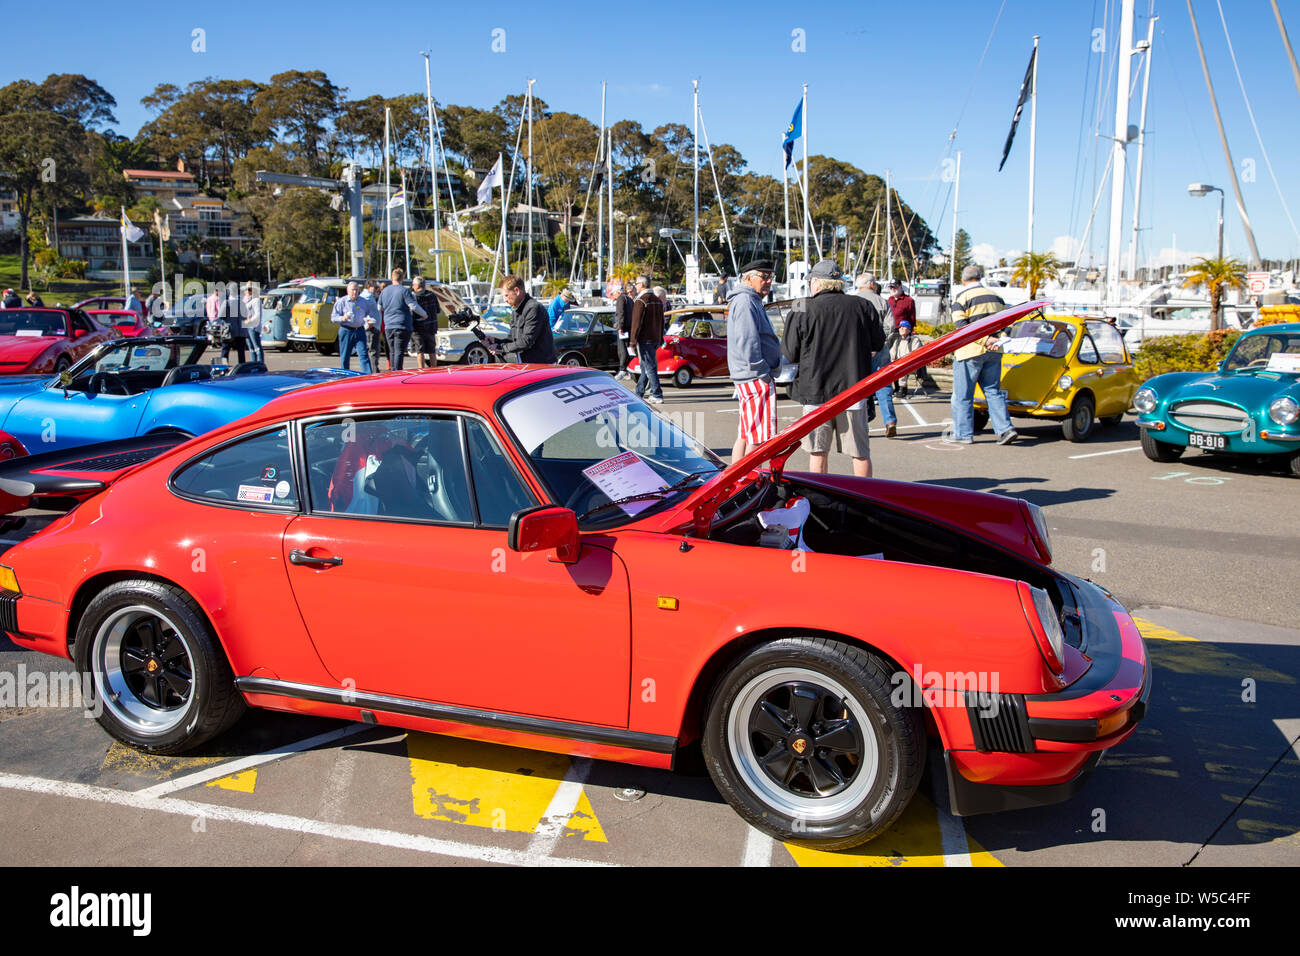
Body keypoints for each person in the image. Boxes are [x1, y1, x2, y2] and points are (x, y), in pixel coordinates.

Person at [784, 260, 884, 477]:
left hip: (815, 391)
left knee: (817, 452)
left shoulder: (800, 306)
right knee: (860, 452)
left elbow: (790, 353)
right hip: (853, 388)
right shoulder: (862, 305)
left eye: (811, 281)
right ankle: (865, 499)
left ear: (817, 282)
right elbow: (879, 343)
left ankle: (822, 497)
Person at [950, 264, 1016, 444]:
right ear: (980, 278)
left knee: (963, 394)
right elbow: (1008, 323)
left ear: (963, 280)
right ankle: (1004, 429)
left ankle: (963, 434)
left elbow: (962, 328)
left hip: (970, 351)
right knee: (993, 391)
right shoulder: (997, 297)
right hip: (995, 350)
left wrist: (984, 340)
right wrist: (999, 339)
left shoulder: (961, 298)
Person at [726, 259, 782, 459]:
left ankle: (738, 481)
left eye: (770, 277)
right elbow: (747, 340)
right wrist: (762, 371)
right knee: (757, 438)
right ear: (748, 278)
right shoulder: (746, 301)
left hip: (750, 375)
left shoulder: (748, 300)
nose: (768, 281)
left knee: (746, 433)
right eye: (763, 276)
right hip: (755, 376)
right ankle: (750, 481)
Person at [853, 275, 899, 438]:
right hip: (880, 349)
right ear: (871, 284)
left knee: (860, 387)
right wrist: (880, 342)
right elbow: (890, 326)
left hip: (859, 350)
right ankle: (889, 421)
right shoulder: (881, 301)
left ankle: (862, 425)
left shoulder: (853, 301)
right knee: (883, 385)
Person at [490, 275, 555, 363]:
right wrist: (495, 341)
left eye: (506, 295)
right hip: (526, 363)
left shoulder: (534, 308)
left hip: (542, 366)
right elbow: (512, 339)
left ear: (516, 291)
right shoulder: (516, 311)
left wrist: (500, 348)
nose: (505, 300)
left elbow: (526, 341)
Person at [377, 268, 426, 371]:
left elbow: (379, 308)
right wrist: (424, 315)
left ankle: (393, 370)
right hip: (402, 324)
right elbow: (413, 306)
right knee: (399, 351)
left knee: (392, 351)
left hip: (389, 325)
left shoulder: (384, 291)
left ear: (392, 278)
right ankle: (397, 372)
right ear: (402, 278)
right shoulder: (404, 291)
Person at [629, 275, 665, 404]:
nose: (635, 286)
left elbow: (636, 323)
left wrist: (632, 342)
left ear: (642, 285)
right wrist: (661, 337)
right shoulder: (657, 300)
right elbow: (662, 321)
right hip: (655, 338)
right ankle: (639, 392)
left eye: (636, 283)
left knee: (649, 367)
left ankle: (657, 393)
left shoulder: (641, 301)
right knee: (645, 366)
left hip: (645, 338)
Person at [331, 280, 376, 373]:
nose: (354, 292)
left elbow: (369, 314)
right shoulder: (342, 302)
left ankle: (367, 377)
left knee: (363, 354)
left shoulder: (363, 302)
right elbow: (333, 317)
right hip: (346, 330)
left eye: (356, 290)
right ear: (348, 291)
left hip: (359, 330)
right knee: (345, 356)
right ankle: (344, 376)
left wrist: (370, 321)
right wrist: (342, 318)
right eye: (352, 290)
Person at [410, 276, 442, 370]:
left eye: (413, 284)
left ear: (417, 285)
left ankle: (421, 370)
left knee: (420, 351)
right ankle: (434, 369)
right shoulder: (431, 295)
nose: (412, 286)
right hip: (431, 326)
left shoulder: (414, 297)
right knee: (432, 351)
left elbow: (412, 312)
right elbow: (438, 310)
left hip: (418, 328)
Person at [609, 280, 634, 381]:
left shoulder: (620, 299)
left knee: (622, 349)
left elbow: (620, 314)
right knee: (629, 349)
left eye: (613, 293)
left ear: (617, 292)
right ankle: (629, 368)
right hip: (630, 328)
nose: (613, 296)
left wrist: (620, 327)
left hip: (624, 329)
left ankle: (623, 369)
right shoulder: (629, 299)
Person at [219, 283, 247, 364]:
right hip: (241, 330)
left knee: (225, 349)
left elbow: (221, 316)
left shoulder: (226, 302)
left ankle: (223, 368)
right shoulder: (242, 302)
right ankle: (242, 368)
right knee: (241, 352)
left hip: (230, 330)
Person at [362, 279, 385, 371]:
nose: (377, 290)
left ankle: (374, 369)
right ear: (369, 287)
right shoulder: (366, 296)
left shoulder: (371, 296)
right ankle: (373, 370)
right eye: (375, 287)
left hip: (375, 327)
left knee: (375, 349)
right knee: (373, 350)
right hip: (371, 328)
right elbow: (362, 310)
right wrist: (368, 323)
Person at [241, 282, 264, 363]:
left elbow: (257, 314)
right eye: (246, 290)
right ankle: (253, 364)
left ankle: (260, 364)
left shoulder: (256, 300)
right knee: (251, 348)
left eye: (248, 290)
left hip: (253, 327)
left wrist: (249, 321)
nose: (246, 291)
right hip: (247, 326)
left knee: (257, 347)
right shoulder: (247, 300)